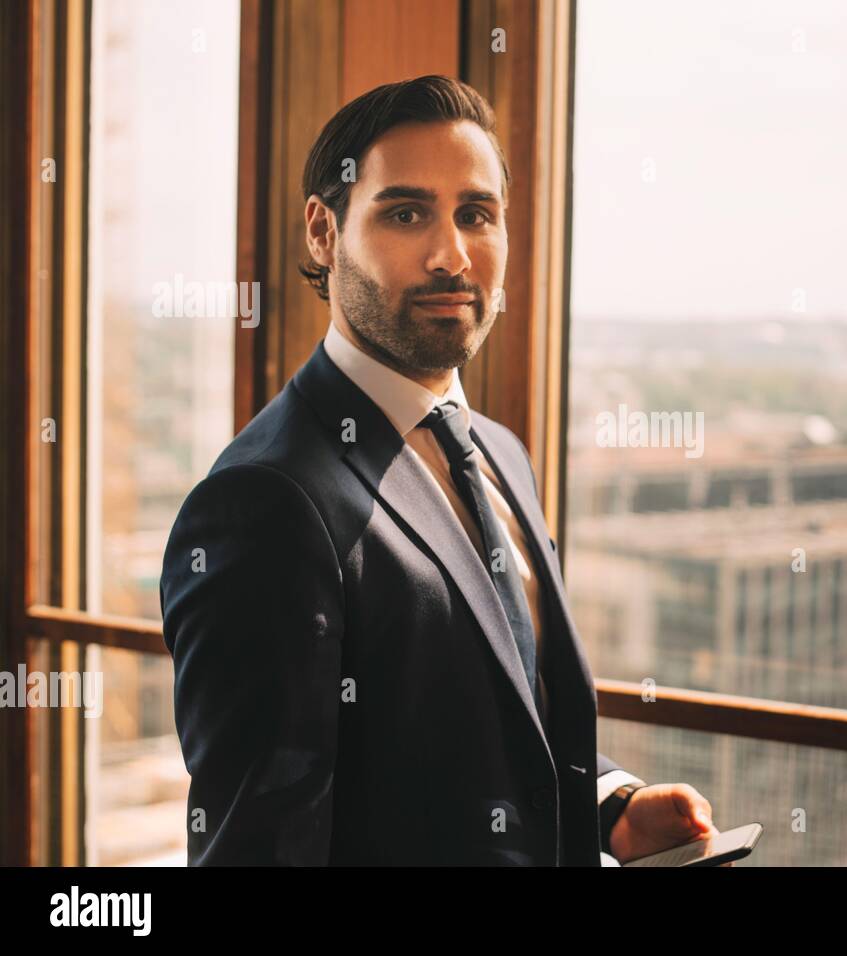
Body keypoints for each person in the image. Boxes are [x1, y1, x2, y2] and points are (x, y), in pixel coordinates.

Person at [160, 75, 720, 865]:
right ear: (324, 232)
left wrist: (610, 808)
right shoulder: (263, 503)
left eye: (476, 214)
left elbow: (477, 734)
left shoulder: (501, 454)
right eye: (406, 212)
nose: (452, 254)